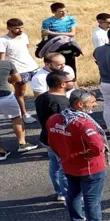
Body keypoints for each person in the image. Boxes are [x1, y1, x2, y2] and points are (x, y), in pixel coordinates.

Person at [47, 89, 110, 221]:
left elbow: (52, 143)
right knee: (92, 198)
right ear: (80, 104)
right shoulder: (84, 124)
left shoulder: (55, 119)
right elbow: (97, 146)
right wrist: (88, 155)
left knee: (73, 193)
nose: (95, 105)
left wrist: (65, 155)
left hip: (68, 164)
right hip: (90, 167)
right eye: (92, 102)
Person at [35, 71, 72, 201]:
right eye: (71, 80)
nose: (73, 82)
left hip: (47, 137)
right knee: (64, 168)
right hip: (59, 140)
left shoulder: (42, 97)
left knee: (54, 165)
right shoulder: (61, 103)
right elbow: (64, 125)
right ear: (62, 84)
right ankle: (67, 194)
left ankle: (60, 192)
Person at [0, 18, 40, 122]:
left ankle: (41, 110)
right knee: (20, 93)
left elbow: (26, 50)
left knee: (40, 89)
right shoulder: (3, 41)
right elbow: (2, 59)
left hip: (33, 67)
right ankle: (24, 114)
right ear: (9, 28)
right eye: (17, 28)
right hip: (18, 70)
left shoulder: (24, 36)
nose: (20, 30)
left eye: (22, 27)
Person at [0, 58, 36, 158]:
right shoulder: (7, 63)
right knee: (16, 119)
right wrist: (6, 79)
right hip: (5, 96)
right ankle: (22, 143)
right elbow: (17, 79)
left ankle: (0, 152)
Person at [41, 2, 79, 75]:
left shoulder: (70, 19)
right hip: (55, 48)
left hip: (68, 46)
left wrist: (52, 33)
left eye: (65, 10)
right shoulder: (47, 22)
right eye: (61, 11)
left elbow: (72, 33)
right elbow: (44, 34)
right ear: (53, 12)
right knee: (56, 67)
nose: (64, 13)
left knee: (71, 67)